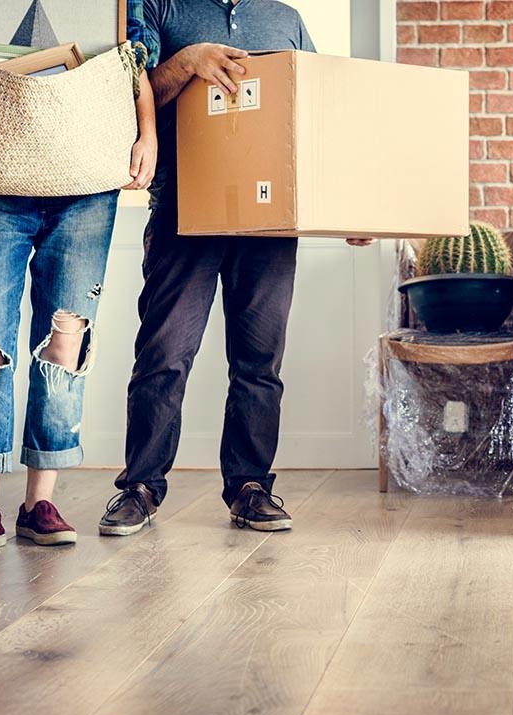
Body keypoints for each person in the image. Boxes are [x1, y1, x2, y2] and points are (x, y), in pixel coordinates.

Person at [102, 0, 372, 537]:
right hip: (184, 213)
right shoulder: (160, 7)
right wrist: (189, 61)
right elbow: (126, 99)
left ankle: (251, 487)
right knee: (164, 355)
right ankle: (140, 487)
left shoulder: (286, 20)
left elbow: (316, 117)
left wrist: (350, 204)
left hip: (271, 224)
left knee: (259, 363)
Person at [0, 2, 159, 559]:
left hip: (85, 183)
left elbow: (133, 59)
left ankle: (39, 503)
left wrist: (148, 135)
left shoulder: (117, 3)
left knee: (65, 347)